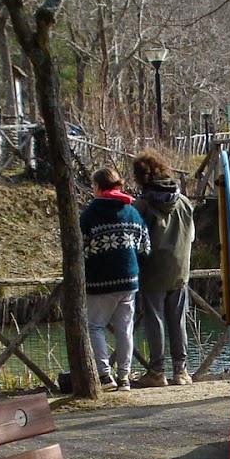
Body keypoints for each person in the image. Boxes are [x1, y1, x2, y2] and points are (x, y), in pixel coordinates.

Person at [79, 164, 149, 389]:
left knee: (94, 327)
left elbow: (79, 249)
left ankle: (104, 376)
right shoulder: (132, 212)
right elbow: (145, 246)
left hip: (99, 282)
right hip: (129, 280)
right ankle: (124, 377)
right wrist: (135, 267)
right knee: (125, 330)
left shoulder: (90, 214)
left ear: (98, 186)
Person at [132, 149, 195, 387]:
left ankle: (157, 371)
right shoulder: (184, 202)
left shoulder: (141, 205)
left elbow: (136, 240)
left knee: (154, 320)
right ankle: (181, 370)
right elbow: (191, 237)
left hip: (152, 270)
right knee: (178, 321)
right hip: (180, 269)